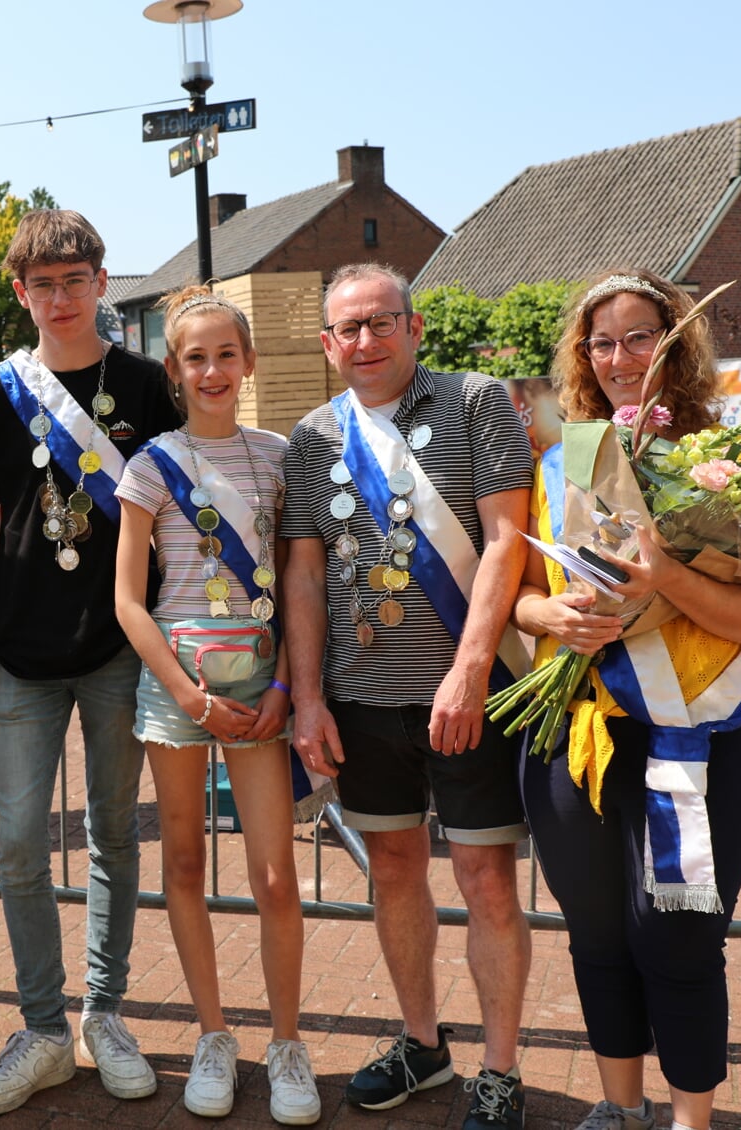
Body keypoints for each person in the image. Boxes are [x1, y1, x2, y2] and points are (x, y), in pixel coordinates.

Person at [514, 268, 741, 1130]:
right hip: (582, 740)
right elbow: (519, 591)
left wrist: (664, 574)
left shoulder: (726, 464)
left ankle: (690, 1122)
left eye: (639, 336)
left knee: (683, 939)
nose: (621, 356)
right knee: (598, 937)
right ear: (582, 356)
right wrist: (549, 613)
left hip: (700, 749)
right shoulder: (564, 459)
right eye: (603, 341)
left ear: (674, 342)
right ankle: (619, 1110)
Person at [281, 262, 533, 1128]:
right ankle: (422, 1045)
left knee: (485, 878)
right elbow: (305, 575)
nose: (365, 340)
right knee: (392, 869)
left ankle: (499, 1070)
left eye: (381, 321)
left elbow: (506, 542)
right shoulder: (314, 436)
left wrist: (469, 668)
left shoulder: (475, 402)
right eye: (347, 329)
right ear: (326, 344)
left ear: (414, 327)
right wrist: (308, 699)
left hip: (472, 694)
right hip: (360, 700)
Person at [0, 209, 178, 1117]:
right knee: (15, 844)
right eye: (41, 284)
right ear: (21, 292)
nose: (59, 297)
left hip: (118, 650)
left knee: (116, 838)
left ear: (100, 281)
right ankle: (44, 1028)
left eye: (73, 279)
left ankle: (107, 1013)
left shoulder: (146, 384)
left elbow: (177, 506)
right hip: (19, 651)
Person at [112, 286, 318, 1125]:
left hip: (261, 682)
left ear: (249, 362)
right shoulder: (149, 465)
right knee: (186, 865)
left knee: (276, 876)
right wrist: (188, 694)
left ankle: (288, 1043)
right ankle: (211, 1034)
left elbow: (298, 580)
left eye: (225, 354)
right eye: (194, 357)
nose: (211, 370)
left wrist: (280, 688)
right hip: (176, 685)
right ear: (174, 370)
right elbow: (130, 600)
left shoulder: (278, 456)